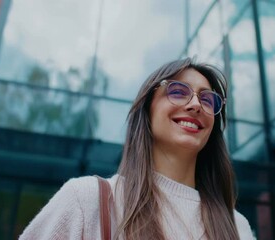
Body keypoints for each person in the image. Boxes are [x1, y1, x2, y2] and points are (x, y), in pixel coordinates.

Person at [19, 57, 255, 240]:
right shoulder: (87, 200)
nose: (195, 105)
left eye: (207, 99)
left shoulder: (237, 226)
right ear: (147, 110)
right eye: (177, 91)